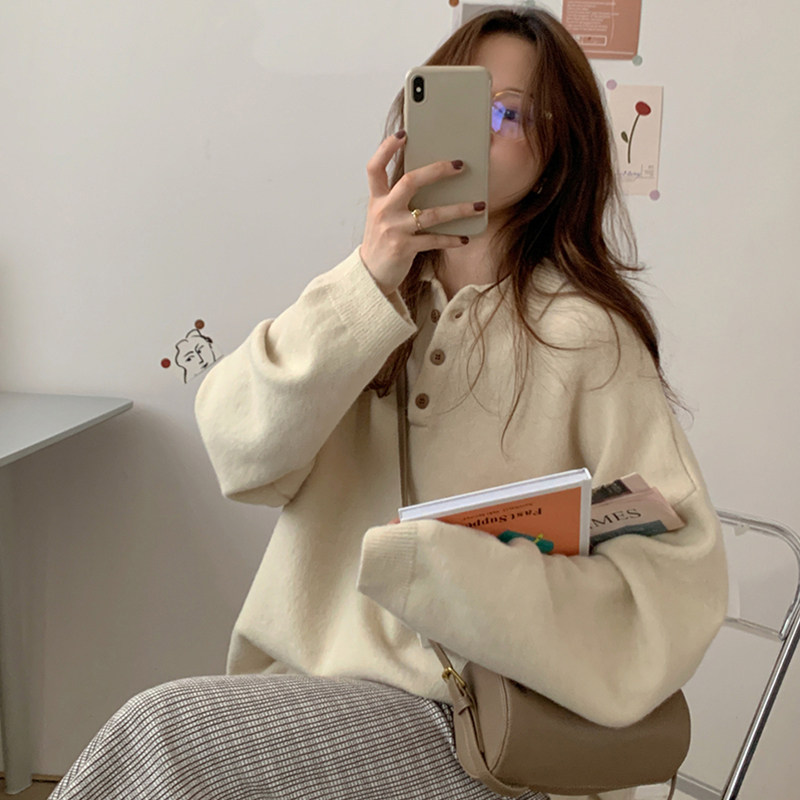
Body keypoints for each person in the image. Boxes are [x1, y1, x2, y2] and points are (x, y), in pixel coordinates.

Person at [49, 8, 727, 800]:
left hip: (475, 726)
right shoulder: (365, 305)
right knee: (169, 741)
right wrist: (368, 278)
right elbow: (240, 453)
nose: (478, 129)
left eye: (508, 113)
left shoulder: (584, 337)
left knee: (163, 735)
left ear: (556, 152)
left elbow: (675, 578)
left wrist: (459, 578)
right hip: (308, 694)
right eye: (457, 100)